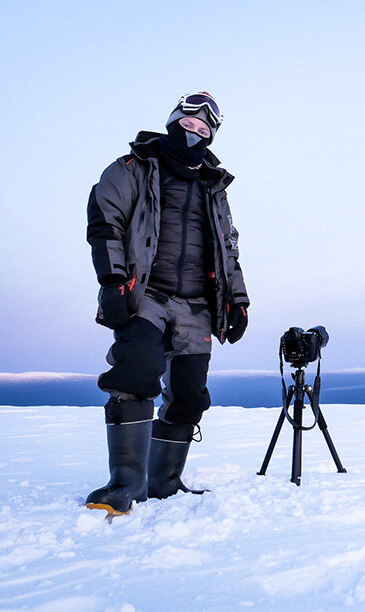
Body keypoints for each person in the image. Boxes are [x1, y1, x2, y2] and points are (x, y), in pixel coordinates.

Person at [85, 92, 250, 515]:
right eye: (189, 124)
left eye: (204, 130)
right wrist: (114, 280)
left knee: (190, 395)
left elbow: (228, 248)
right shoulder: (134, 167)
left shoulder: (214, 187)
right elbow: (106, 221)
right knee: (135, 371)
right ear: (174, 120)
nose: (194, 134)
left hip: (197, 303)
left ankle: (165, 482)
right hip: (148, 293)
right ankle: (125, 482)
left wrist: (238, 299)